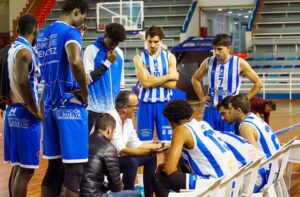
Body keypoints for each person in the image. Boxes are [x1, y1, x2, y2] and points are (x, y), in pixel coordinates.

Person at [36, 0, 89, 196]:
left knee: (54, 168)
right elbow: (75, 61)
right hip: (70, 105)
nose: (83, 22)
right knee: (74, 170)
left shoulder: (42, 35)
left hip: (49, 104)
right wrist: (84, 91)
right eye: (83, 17)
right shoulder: (71, 33)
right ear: (77, 12)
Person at [152, 100, 239, 197]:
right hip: (232, 180)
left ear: (171, 122)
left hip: (217, 184)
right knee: (183, 166)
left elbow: (169, 170)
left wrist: (167, 156)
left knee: (159, 177)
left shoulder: (181, 130)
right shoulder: (203, 124)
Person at [191, 33, 263, 132]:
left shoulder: (239, 63)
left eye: (219, 49)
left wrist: (244, 99)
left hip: (229, 111)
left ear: (228, 48)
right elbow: (195, 79)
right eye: (214, 49)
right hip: (211, 110)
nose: (216, 52)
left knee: (229, 141)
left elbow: (258, 83)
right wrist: (201, 97)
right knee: (210, 142)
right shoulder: (208, 61)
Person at [4, 14, 42, 197]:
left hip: (13, 109)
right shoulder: (24, 52)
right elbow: (22, 80)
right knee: (26, 170)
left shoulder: (12, 49)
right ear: (36, 30)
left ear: (18, 30)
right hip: (24, 112)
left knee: (19, 167)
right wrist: (34, 109)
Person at [108, 90, 168, 197]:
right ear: (125, 108)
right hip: (107, 162)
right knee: (131, 162)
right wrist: (150, 149)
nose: (137, 109)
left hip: (118, 158)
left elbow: (136, 144)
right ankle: (127, 193)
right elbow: (122, 151)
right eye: (135, 106)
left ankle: (148, 194)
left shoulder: (127, 120)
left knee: (151, 156)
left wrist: (157, 147)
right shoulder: (110, 119)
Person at [133, 25, 179, 142]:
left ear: (161, 40)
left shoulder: (170, 57)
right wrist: (168, 77)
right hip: (145, 104)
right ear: (146, 40)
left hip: (165, 104)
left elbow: (172, 85)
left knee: (168, 142)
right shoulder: (138, 58)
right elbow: (145, 83)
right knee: (144, 142)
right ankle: (149, 161)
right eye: (150, 41)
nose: (153, 45)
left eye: (156, 42)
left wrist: (151, 79)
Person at [80, 113, 141, 197]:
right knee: (136, 194)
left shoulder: (84, 141)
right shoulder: (109, 148)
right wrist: (118, 185)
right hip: (94, 194)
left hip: (78, 192)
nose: (113, 134)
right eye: (114, 131)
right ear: (109, 130)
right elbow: (116, 187)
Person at [83, 23, 126, 132]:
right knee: (93, 146)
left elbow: (121, 82)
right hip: (95, 110)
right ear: (106, 35)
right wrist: (107, 63)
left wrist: (122, 106)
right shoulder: (91, 50)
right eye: (113, 41)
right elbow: (87, 80)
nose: (114, 45)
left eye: (117, 42)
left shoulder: (119, 53)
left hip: (113, 111)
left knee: (114, 145)